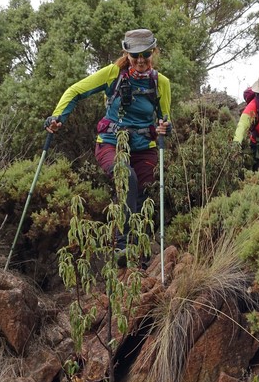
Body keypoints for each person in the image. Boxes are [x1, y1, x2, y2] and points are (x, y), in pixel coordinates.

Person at [44, 28, 171, 263]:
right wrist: (57, 117)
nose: (141, 60)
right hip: (111, 143)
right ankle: (121, 247)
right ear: (126, 54)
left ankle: (141, 250)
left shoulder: (160, 83)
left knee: (144, 192)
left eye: (146, 54)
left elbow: (165, 119)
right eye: (135, 56)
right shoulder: (113, 74)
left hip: (144, 146)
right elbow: (75, 91)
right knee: (127, 177)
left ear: (153, 51)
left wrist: (165, 127)